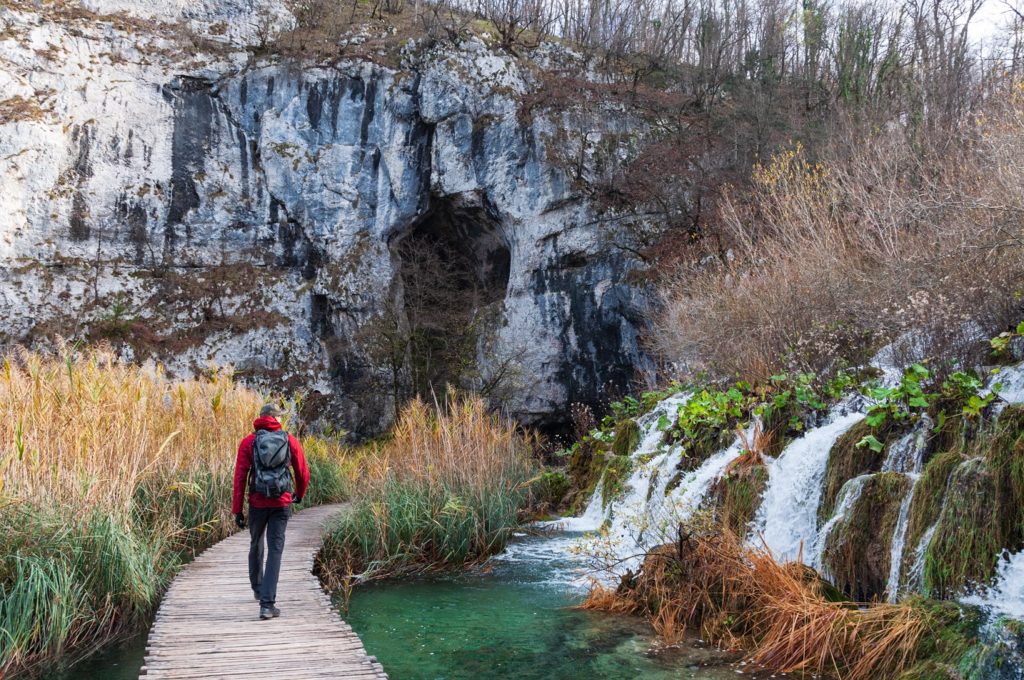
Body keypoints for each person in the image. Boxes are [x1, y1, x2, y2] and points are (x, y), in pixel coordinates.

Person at [232, 404, 309, 620]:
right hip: (281, 501)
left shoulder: (249, 442)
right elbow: (302, 471)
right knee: (275, 550)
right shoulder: (289, 439)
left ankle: (258, 588)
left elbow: (239, 478)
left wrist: (237, 510)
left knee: (256, 543)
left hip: (257, 502)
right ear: (276, 419)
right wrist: (299, 494)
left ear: (261, 418)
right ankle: (267, 604)